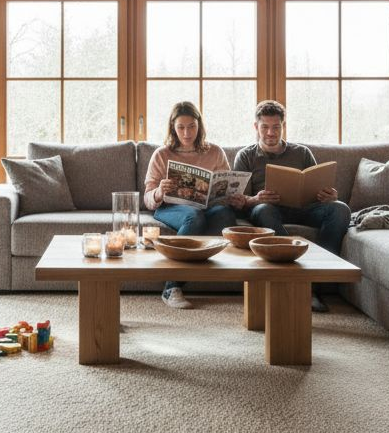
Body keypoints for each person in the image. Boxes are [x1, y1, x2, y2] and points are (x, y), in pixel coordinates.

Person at [233, 100, 351, 313]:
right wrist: (256, 198)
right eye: (265, 127)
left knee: (340, 208)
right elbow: (239, 201)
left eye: (276, 127)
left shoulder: (302, 153)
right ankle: (297, 280)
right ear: (256, 127)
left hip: (305, 207)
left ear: (283, 126)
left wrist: (329, 195)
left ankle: (315, 282)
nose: (271, 132)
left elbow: (319, 183)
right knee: (262, 210)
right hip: (269, 209)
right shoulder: (246, 156)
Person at [144, 101, 244, 309]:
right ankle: (171, 287)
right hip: (171, 208)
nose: (187, 133)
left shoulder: (215, 152)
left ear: (200, 126)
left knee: (225, 215)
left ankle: (200, 271)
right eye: (181, 127)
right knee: (194, 217)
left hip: (207, 206)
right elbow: (147, 199)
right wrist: (160, 192)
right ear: (173, 127)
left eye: (191, 126)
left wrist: (229, 195)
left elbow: (225, 187)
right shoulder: (162, 154)